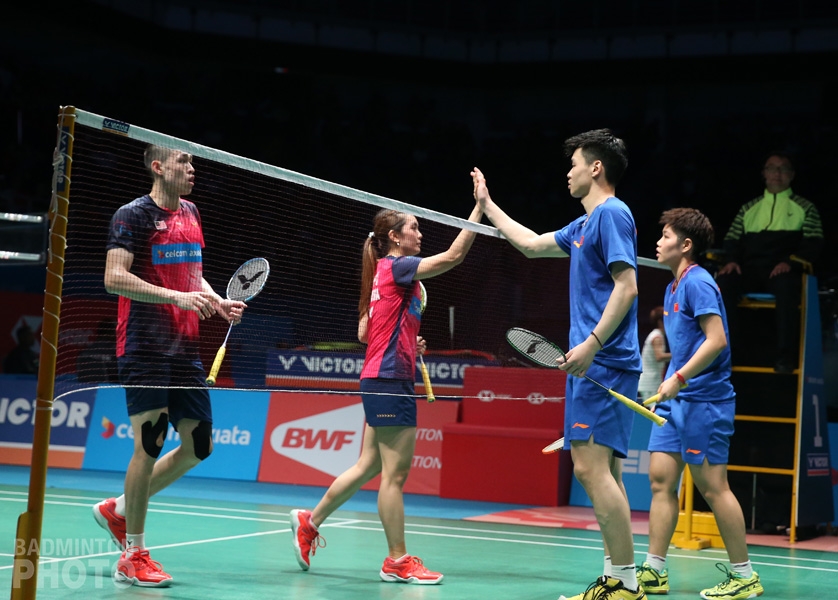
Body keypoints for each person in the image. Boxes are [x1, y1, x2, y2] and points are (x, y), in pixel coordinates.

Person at [472, 128, 644, 600]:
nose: (567, 173)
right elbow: (530, 244)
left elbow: (627, 286)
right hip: (596, 361)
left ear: (596, 167)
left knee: (589, 470)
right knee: (604, 471)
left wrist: (591, 343)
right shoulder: (583, 226)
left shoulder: (611, 214)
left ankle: (626, 583)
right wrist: (487, 205)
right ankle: (617, 579)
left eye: (574, 164)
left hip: (603, 360)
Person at [290, 199, 483, 584]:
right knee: (394, 476)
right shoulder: (399, 266)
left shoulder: (380, 271)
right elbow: (453, 256)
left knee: (369, 465)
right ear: (394, 237)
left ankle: (309, 522)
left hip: (380, 376)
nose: (420, 234)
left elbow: (365, 332)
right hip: (391, 379)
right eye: (414, 228)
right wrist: (479, 210)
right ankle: (397, 561)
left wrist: (409, 338)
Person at [92, 144, 246, 588]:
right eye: (184, 162)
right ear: (158, 168)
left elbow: (192, 271)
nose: (192, 169)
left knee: (199, 445)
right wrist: (177, 298)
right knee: (151, 442)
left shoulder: (192, 212)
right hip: (144, 344)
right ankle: (133, 554)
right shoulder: (132, 216)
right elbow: (114, 278)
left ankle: (118, 509)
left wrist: (216, 301)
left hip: (184, 347)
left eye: (192, 162)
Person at [638, 208, 763, 599]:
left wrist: (678, 378)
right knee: (660, 480)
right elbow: (683, 347)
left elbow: (717, 340)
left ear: (686, 244)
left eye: (666, 235)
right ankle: (654, 570)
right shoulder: (672, 288)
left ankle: (744, 576)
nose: (658, 241)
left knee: (713, 487)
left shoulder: (699, 283)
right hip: (676, 403)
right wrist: (668, 386)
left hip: (706, 401)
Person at [716, 152, 823, 373]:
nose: (777, 173)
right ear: (764, 174)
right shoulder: (748, 208)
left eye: (783, 168)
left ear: (791, 175)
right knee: (724, 283)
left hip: (784, 270)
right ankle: (727, 354)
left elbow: (814, 243)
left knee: (787, 286)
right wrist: (731, 260)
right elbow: (732, 240)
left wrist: (790, 262)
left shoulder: (806, 208)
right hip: (751, 269)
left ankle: (785, 358)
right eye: (772, 168)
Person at [638, 306, 670, 402]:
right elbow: (659, 356)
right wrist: (677, 355)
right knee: (653, 409)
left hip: (652, 381)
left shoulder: (656, 335)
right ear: (660, 322)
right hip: (649, 383)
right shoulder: (657, 336)